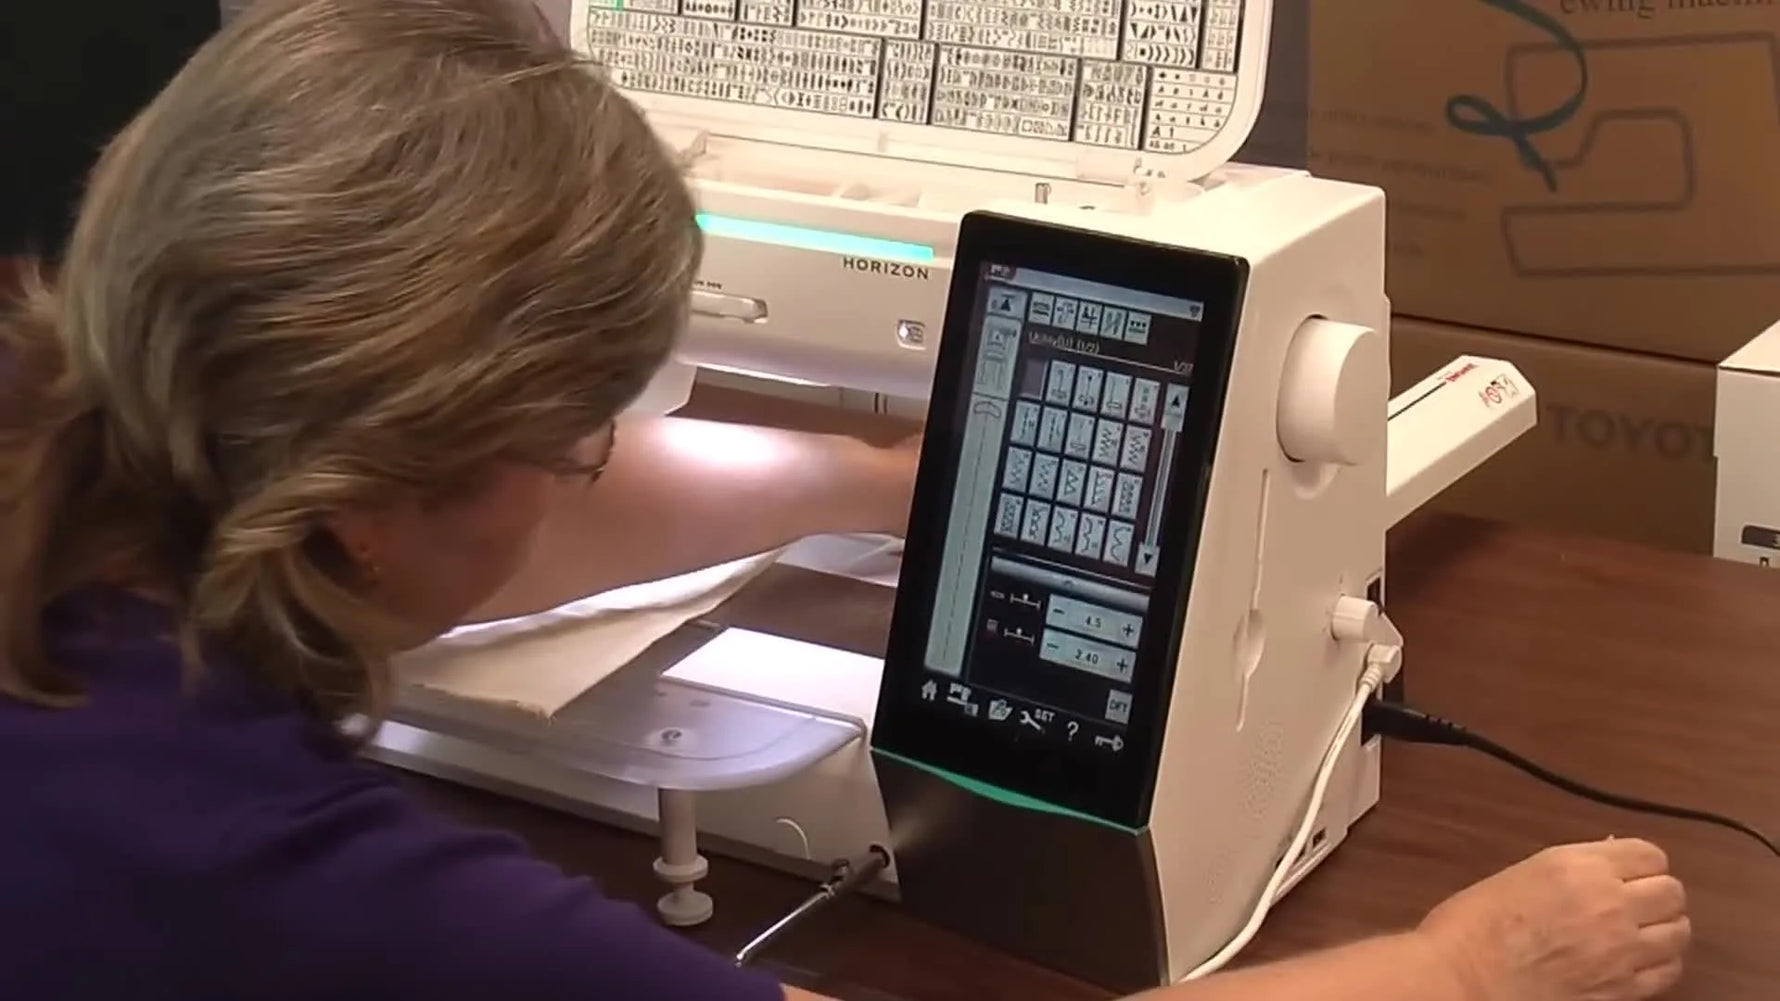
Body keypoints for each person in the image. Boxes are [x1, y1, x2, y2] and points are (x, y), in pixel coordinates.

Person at [0, 0, 1690, 999]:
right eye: (583, 430)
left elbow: (479, 501)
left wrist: (889, 481)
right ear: (367, 497)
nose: (600, 465)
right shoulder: (274, 866)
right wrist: (1464, 965)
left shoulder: (89, 425)